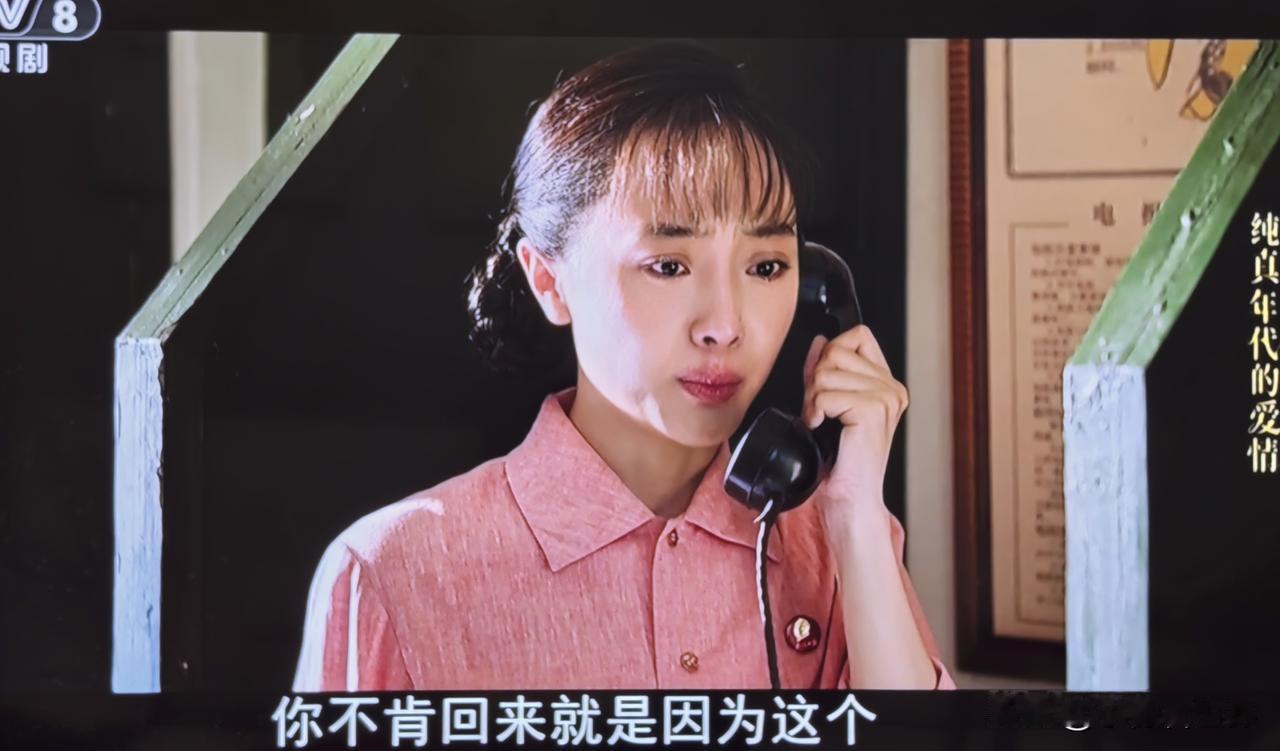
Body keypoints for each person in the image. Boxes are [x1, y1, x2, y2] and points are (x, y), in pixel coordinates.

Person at [293, 41, 955, 691]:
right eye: (668, 265)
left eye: (765, 267)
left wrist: (857, 522)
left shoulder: (837, 546)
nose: (725, 326)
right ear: (549, 280)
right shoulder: (390, 573)